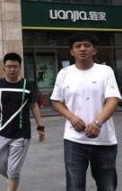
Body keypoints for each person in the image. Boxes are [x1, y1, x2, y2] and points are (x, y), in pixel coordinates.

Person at [51, 33, 121, 191]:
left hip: (104, 141)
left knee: (107, 187)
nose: (82, 49)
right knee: (74, 187)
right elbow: (56, 100)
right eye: (78, 46)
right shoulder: (64, 73)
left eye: (87, 45)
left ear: (94, 50)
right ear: (71, 51)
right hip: (74, 140)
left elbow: (113, 100)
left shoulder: (105, 71)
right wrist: (71, 117)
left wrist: (98, 123)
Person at [0, 52, 45, 191]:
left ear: (20, 68)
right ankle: (13, 179)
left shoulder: (26, 84)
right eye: (9, 66)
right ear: (4, 68)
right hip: (3, 131)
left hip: (21, 134)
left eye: (15, 67)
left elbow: (34, 106)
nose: (12, 69)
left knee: (13, 170)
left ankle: (12, 182)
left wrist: (41, 127)